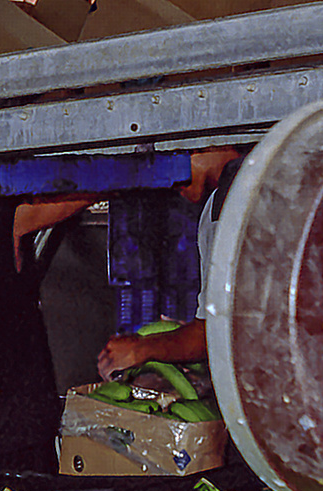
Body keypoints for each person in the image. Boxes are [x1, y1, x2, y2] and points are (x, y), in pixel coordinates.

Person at [95, 147, 241, 380]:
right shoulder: (215, 205)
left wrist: (141, 349)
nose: (168, 179)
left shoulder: (238, 200)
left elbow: (219, 333)